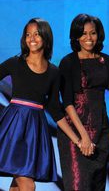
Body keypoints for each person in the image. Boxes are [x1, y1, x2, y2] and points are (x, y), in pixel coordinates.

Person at [0, 18, 81, 190]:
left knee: (18, 184)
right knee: (28, 186)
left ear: (45, 37)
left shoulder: (54, 72)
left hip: (34, 131)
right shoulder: (15, 63)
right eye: (28, 34)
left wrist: (77, 140)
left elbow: (55, 110)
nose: (32, 38)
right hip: (13, 128)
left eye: (36, 34)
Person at [57, 13, 109, 191]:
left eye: (92, 33)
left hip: (101, 131)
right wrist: (83, 137)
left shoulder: (107, 62)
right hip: (75, 132)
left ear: (99, 34)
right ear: (76, 36)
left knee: (97, 186)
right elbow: (68, 103)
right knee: (78, 185)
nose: (89, 38)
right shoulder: (68, 62)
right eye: (84, 33)